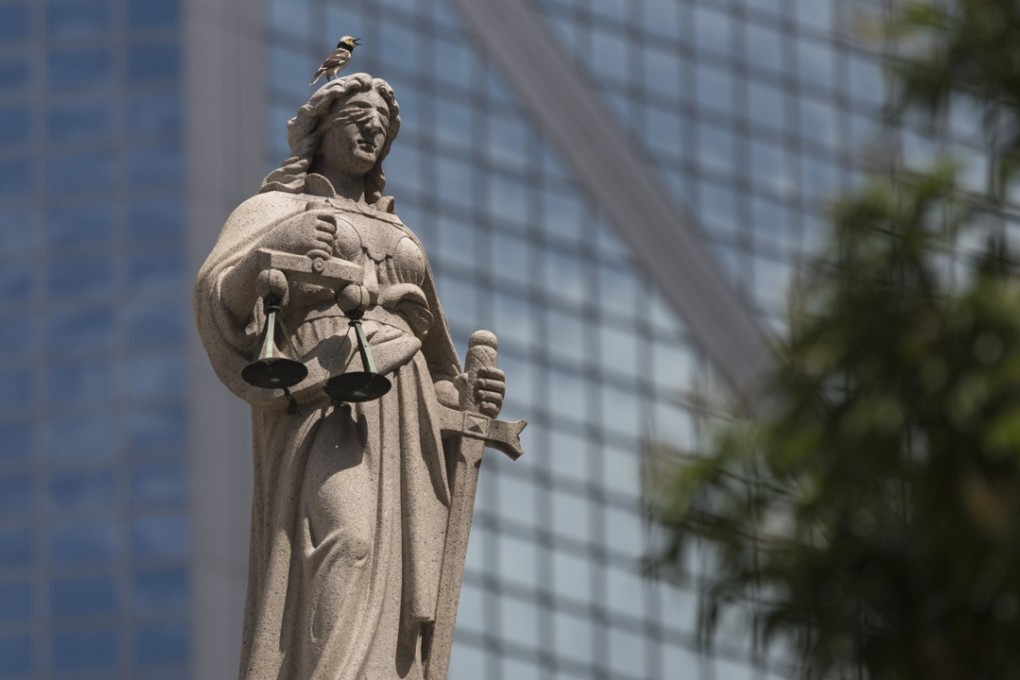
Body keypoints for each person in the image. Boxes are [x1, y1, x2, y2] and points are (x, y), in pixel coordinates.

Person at [194, 73, 504, 680]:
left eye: (382, 124)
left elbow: (440, 366)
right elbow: (219, 303)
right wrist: (272, 248)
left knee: (398, 573)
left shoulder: (401, 235)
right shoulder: (275, 209)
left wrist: (468, 395)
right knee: (349, 540)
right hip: (325, 394)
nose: (373, 128)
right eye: (357, 116)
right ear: (321, 126)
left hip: (404, 405)